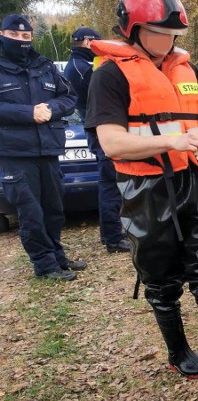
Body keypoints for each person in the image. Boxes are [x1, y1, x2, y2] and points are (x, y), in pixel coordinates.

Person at [86, 0, 198, 389]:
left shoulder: (187, 69)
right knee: (160, 276)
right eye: (158, 33)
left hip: (196, 183)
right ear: (132, 29)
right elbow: (111, 142)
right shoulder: (110, 75)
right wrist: (173, 140)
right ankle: (178, 352)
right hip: (144, 190)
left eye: (172, 34)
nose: (167, 41)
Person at [0, 14, 86, 281]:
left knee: (53, 209)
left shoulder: (45, 66)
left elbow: (69, 96)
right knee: (31, 213)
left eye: (26, 37)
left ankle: (58, 257)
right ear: (3, 35)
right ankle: (45, 265)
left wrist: (51, 109)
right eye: (14, 36)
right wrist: (28, 113)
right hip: (16, 153)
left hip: (48, 149)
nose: (21, 41)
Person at [65, 26, 131, 254]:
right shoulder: (83, 68)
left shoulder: (81, 65)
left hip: (97, 128)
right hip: (100, 130)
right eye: (97, 41)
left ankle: (113, 234)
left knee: (111, 184)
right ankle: (113, 236)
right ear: (86, 41)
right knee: (111, 185)